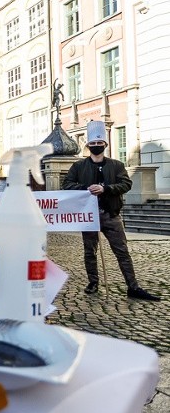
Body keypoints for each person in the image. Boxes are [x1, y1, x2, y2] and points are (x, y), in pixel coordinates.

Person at [63, 121, 160, 301]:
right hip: (89, 216)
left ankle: (133, 286)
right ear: (88, 145)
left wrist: (106, 189)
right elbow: (67, 184)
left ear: (105, 145)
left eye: (99, 144)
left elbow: (126, 184)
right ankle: (93, 282)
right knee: (89, 252)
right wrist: (86, 188)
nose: (96, 146)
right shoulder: (78, 167)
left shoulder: (116, 165)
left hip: (111, 214)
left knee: (122, 251)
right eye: (93, 144)